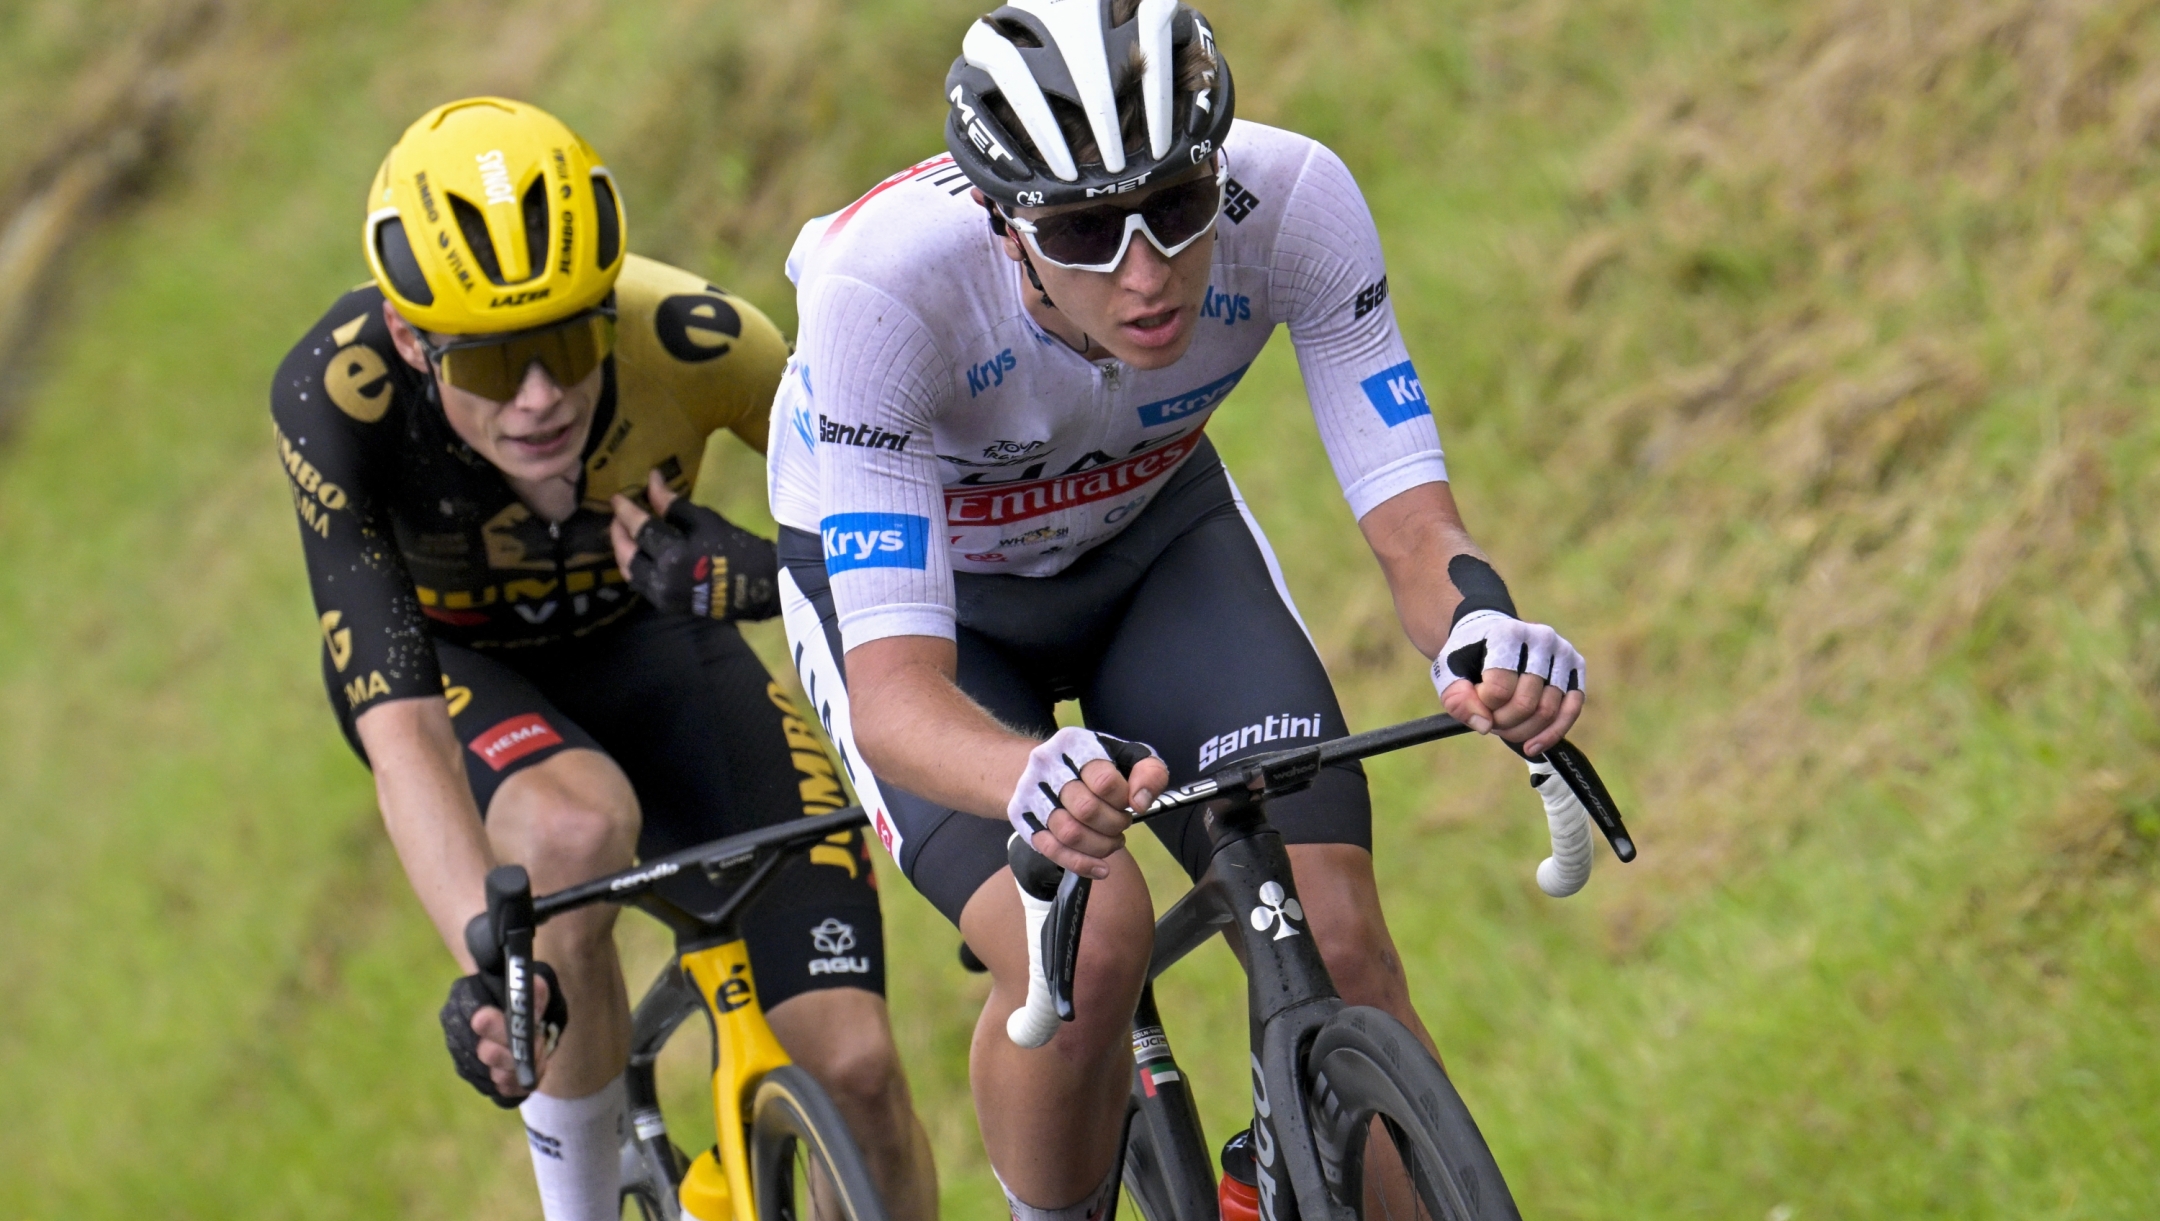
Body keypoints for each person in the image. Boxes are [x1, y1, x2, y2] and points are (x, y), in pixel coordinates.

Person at [767, 3, 1588, 1218]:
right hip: (938, 613)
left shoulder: (1294, 202)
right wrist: (1025, 776)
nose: (1146, 273)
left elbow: (1420, 534)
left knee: (1341, 943)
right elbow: (895, 698)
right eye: (1087, 231)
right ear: (1004, 226)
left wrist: (1482, 632)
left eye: (1176, 207)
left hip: (1153, 539)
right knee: (1090, 944)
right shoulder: (885, 297)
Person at [270, 97, 935, 1221]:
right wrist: (490, 952)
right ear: (410, 338)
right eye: (491, 367)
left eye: (569, 344)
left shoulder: (704, 342)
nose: (538, 399)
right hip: (472, 672)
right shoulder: (339, 399)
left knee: (860, 1070)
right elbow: (400, 727)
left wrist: (765, 570)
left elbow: (900, 535)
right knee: (574, 832)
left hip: (663, 647)